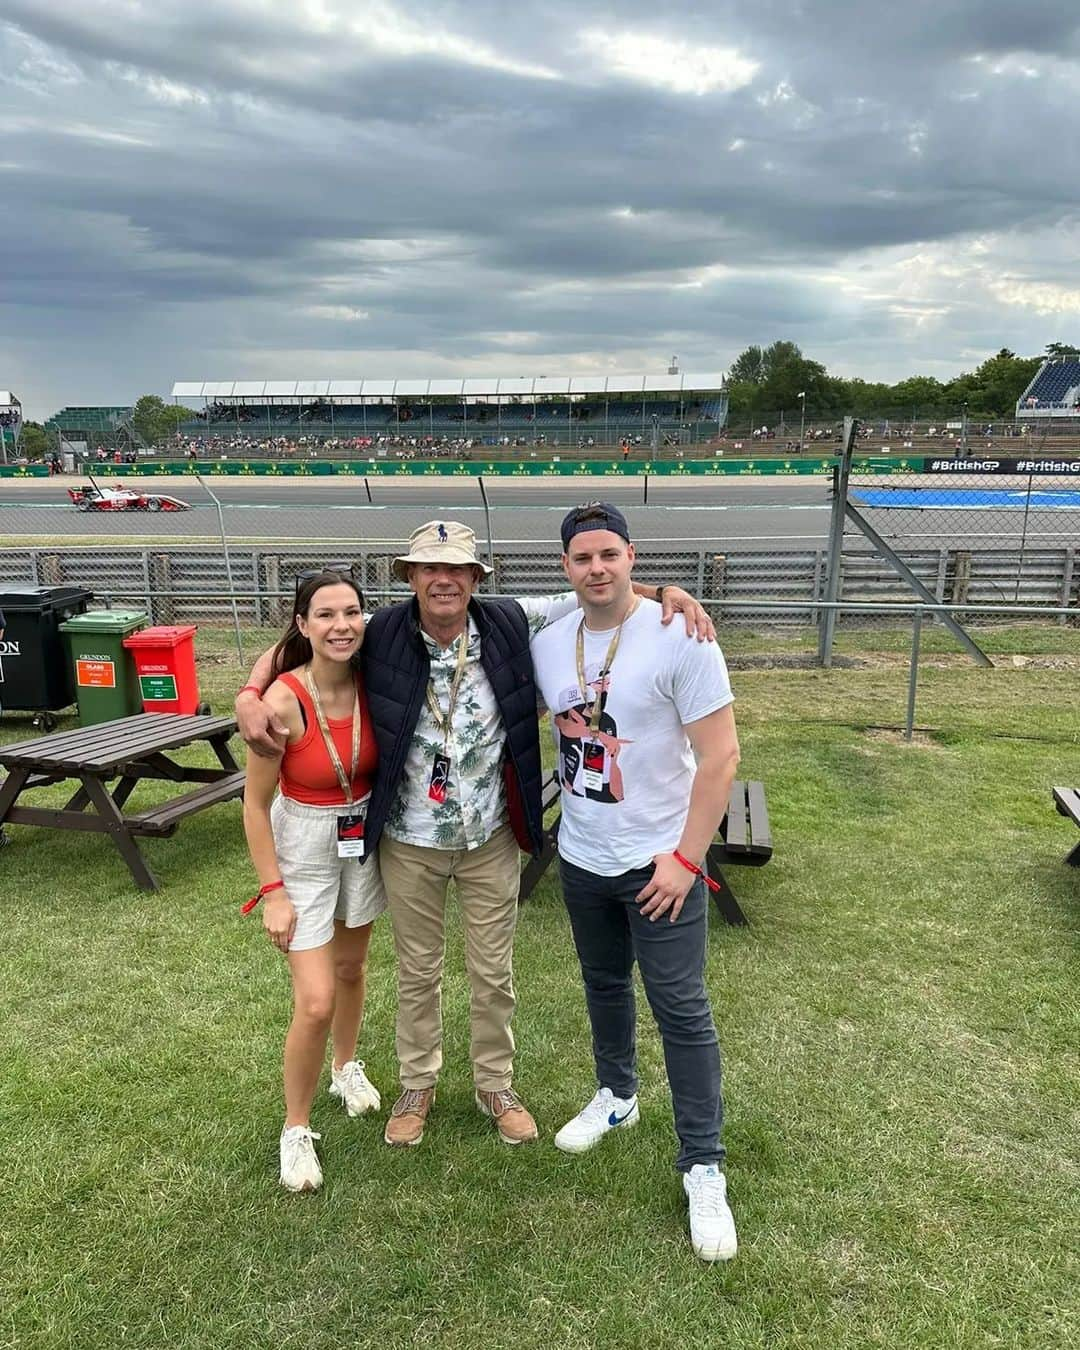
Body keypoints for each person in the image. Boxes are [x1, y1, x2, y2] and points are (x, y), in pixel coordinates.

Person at [236, 522, 715, 1150]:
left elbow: (599, 590)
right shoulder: (378, 629)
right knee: (418, 970)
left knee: (493, 971)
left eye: (458, 569)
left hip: (491, 832)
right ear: (410, 577)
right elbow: (309, 639)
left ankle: (496, 1084)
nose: (444, 580)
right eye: (429, 569)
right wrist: (250, 692)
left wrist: (669, 591)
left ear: (476, 578)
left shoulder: (513, 621)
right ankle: (417, 1084)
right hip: (410, 839)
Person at [530, 502, 741, 1262]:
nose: (597, 568)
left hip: (661, 860)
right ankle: (617, 1096)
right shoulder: (550, 637)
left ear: (631, 556)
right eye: (582, 557)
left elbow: (719, 758)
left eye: (610, 555)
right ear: (566, 567)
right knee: (603, 985)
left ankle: (703, 1164)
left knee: (681, 1009)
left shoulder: (680, 634)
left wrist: (685, 860)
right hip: (585, 853)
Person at [242, 571, 387, 1192]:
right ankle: (295, 1129)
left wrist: (661, 595)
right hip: (302, 839)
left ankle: (346, 1066)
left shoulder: (373, 668)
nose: (341, 626)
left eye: (352, 612)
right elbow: (253, 805)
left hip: (360, 834)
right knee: (317, 999)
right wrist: (273, 891)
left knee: (353, 969)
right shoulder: (280, 700)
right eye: (324, 616)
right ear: (301, 625)